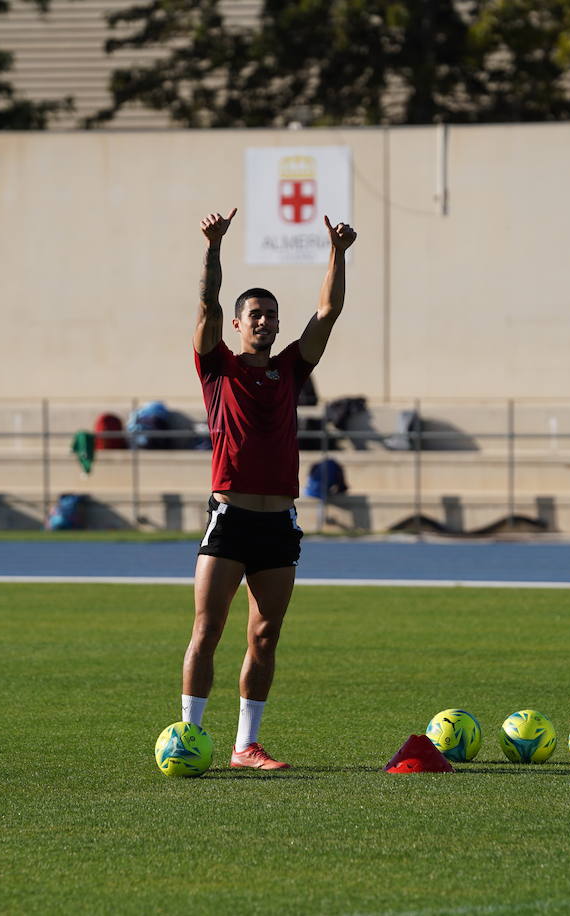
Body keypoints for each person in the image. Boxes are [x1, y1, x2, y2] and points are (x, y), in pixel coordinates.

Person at [181, 205, 357, 770]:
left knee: (265, 637)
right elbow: (207, 303)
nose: (264, 321)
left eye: (271, 316)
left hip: (278, 524)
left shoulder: (290, 370)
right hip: (229, 519)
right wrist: (213, 248)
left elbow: (328, 313)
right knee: (207, 631)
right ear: (238, 324)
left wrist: (338, 252)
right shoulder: (217, 366)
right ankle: (189, 736)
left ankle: (245, 745)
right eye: (254, 314)